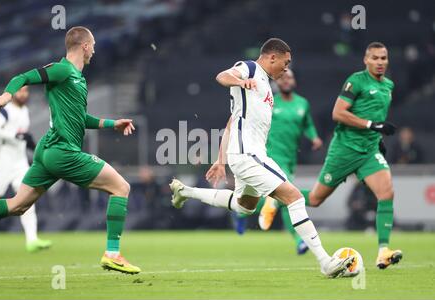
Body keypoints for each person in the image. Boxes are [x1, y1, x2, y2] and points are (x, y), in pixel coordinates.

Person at [170, 38, 353, 278]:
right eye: (285, 63)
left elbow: (231, 122)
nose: (286, 69)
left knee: (244, 206)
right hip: (249, 155)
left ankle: (185, 192)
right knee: (295, 198)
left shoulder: (267, 86)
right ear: (272, 57)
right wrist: (240, 80)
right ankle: (325, 262)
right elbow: (222, 76)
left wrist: (221, 160)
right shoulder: (251, 68)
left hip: (245, 155)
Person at [0, 26, 139, 274]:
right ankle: (113, 253)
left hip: (47, 151)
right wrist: (6, 96)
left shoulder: (78, 79)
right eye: (94, 46)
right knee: (120, 187)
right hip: (62, 151)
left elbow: (81, 118)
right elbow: (23, 77)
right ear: (85, 46)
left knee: (17, 206)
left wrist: (113, 124)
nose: (95, 51)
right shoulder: (62, 69)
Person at [299, 42, 402, 269]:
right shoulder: (355, 81)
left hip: (369, 152)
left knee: (386, 193)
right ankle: (277, 196)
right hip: (345, 149)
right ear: (366, 60)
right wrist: (372, 125)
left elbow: (376, 116)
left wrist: (379, 138)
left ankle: (383, 251)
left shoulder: (388, 85)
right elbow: (338, 113)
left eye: (383, 58)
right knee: (315, 199)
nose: (380, 62)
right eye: (375, 58)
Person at [256, 69, 323, 255]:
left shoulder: (302, 104)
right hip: (271, 155)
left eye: (289, 77)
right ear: (277, 82)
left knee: (282, 199)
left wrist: (314, 137)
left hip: (290, 157)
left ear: (294, 81)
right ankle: (299, 239)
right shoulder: (269, 102)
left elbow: (307, 124)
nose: (286, 80)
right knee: (289, 196)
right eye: (282, 78)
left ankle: (242, 210)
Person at [0, 86, 52, 252]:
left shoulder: (25, 110)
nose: (24, 94)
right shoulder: (5, 110)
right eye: (21, 91)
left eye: (26, 91)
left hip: (20, 161)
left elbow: (23, 135)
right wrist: (16, 135)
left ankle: (32, 239)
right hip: (3, 161)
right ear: (13, 93)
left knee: (27, 196)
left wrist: (29, 143)